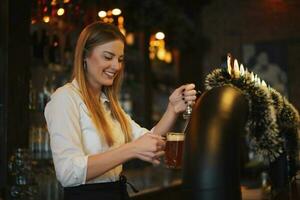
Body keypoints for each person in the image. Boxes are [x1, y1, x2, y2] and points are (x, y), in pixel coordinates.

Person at [44, 21, 196, 200]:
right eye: (108, 57)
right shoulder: (65, 98)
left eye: (120, 59)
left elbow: (146, 140)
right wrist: (131, 149)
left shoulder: (108, 104)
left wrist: (172, 109)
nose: (116, 66)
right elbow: (68, 172)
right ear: (85, 55)